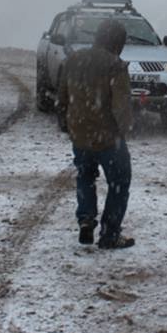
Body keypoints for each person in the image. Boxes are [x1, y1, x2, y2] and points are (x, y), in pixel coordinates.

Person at [57, 19, 135, 249]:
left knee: (85, 177)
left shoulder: (73, 60)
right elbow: (121, 106)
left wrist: (66, 124)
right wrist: (125, 130)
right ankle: (110, 235)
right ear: (118, 41)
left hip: (80, 134)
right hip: (108, 139)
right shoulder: (115, 66)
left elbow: (62, 97)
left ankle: (86, 220)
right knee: (119, 183)